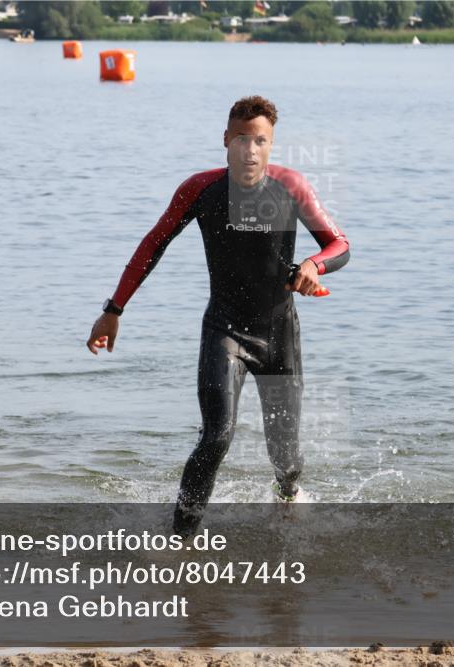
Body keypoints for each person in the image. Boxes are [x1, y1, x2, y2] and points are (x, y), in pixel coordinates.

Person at [86, 95, 350, 536]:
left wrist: (313, 265)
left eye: (260, 141)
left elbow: (340, 245)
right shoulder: (200, 190)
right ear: (226, 141)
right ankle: (181, 542)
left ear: (271, 144)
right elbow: (153, 245)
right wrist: (113, 310)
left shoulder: (291, 186)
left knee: (286, 457)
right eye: (241, 139)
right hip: (225, 331)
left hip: (278, 335)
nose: (250, 150)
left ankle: (287, 495)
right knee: (216, 437)